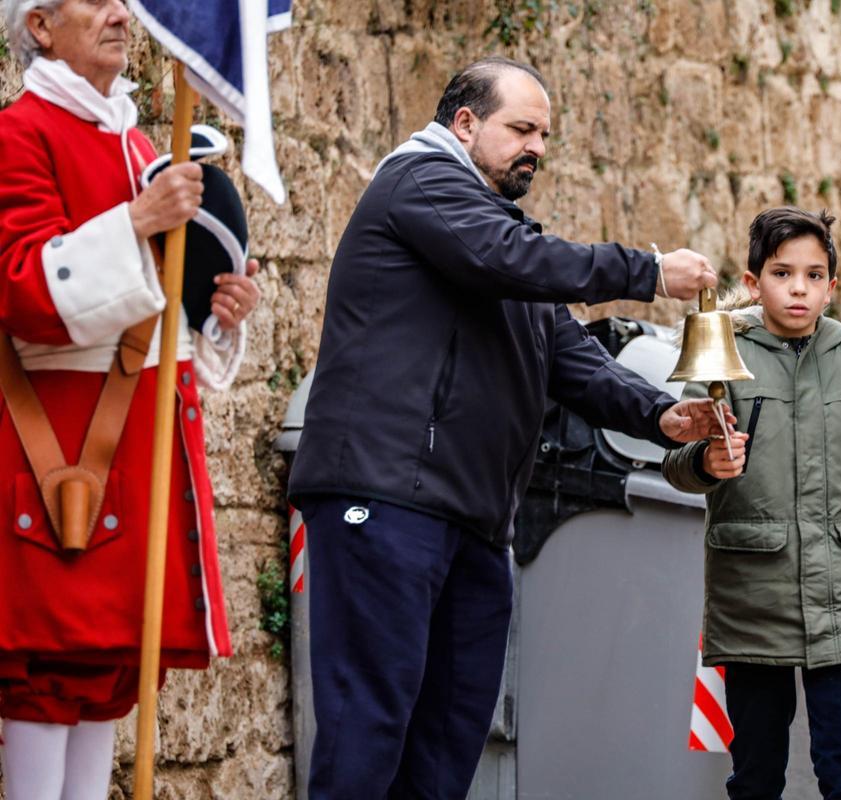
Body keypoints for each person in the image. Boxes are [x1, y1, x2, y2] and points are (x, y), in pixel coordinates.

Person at [287, 56, 732, 799]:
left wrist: (661, 416)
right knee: (369, 729)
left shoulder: (499, 235)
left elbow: (570, 357)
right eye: (521, 128)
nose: (538, 147)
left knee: (448, 742)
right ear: (465, 123)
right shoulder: (420, 184)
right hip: (388, 497)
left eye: (545, 134)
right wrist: (647, 271)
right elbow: (511, 258)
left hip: (475, 521)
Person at [0, 0, 259, 798]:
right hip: (58, 445)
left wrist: (216, 319)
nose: (121, 13)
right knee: (44, 678)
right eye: (96, 0)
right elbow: (22, 289)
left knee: (106, 676)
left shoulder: (140, 142)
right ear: (40, 26)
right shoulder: (17, 133)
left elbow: (158, 322)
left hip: (131, 449)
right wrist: (139, 219)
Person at [661, 207, 841, 800]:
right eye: (783, 274)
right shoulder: (719, 355)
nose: (799, 288)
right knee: (755, 772)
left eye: (814, 276)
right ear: (754, 283)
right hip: (751, 596)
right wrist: (706, 462)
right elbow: (676, 460)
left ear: (832, 288)